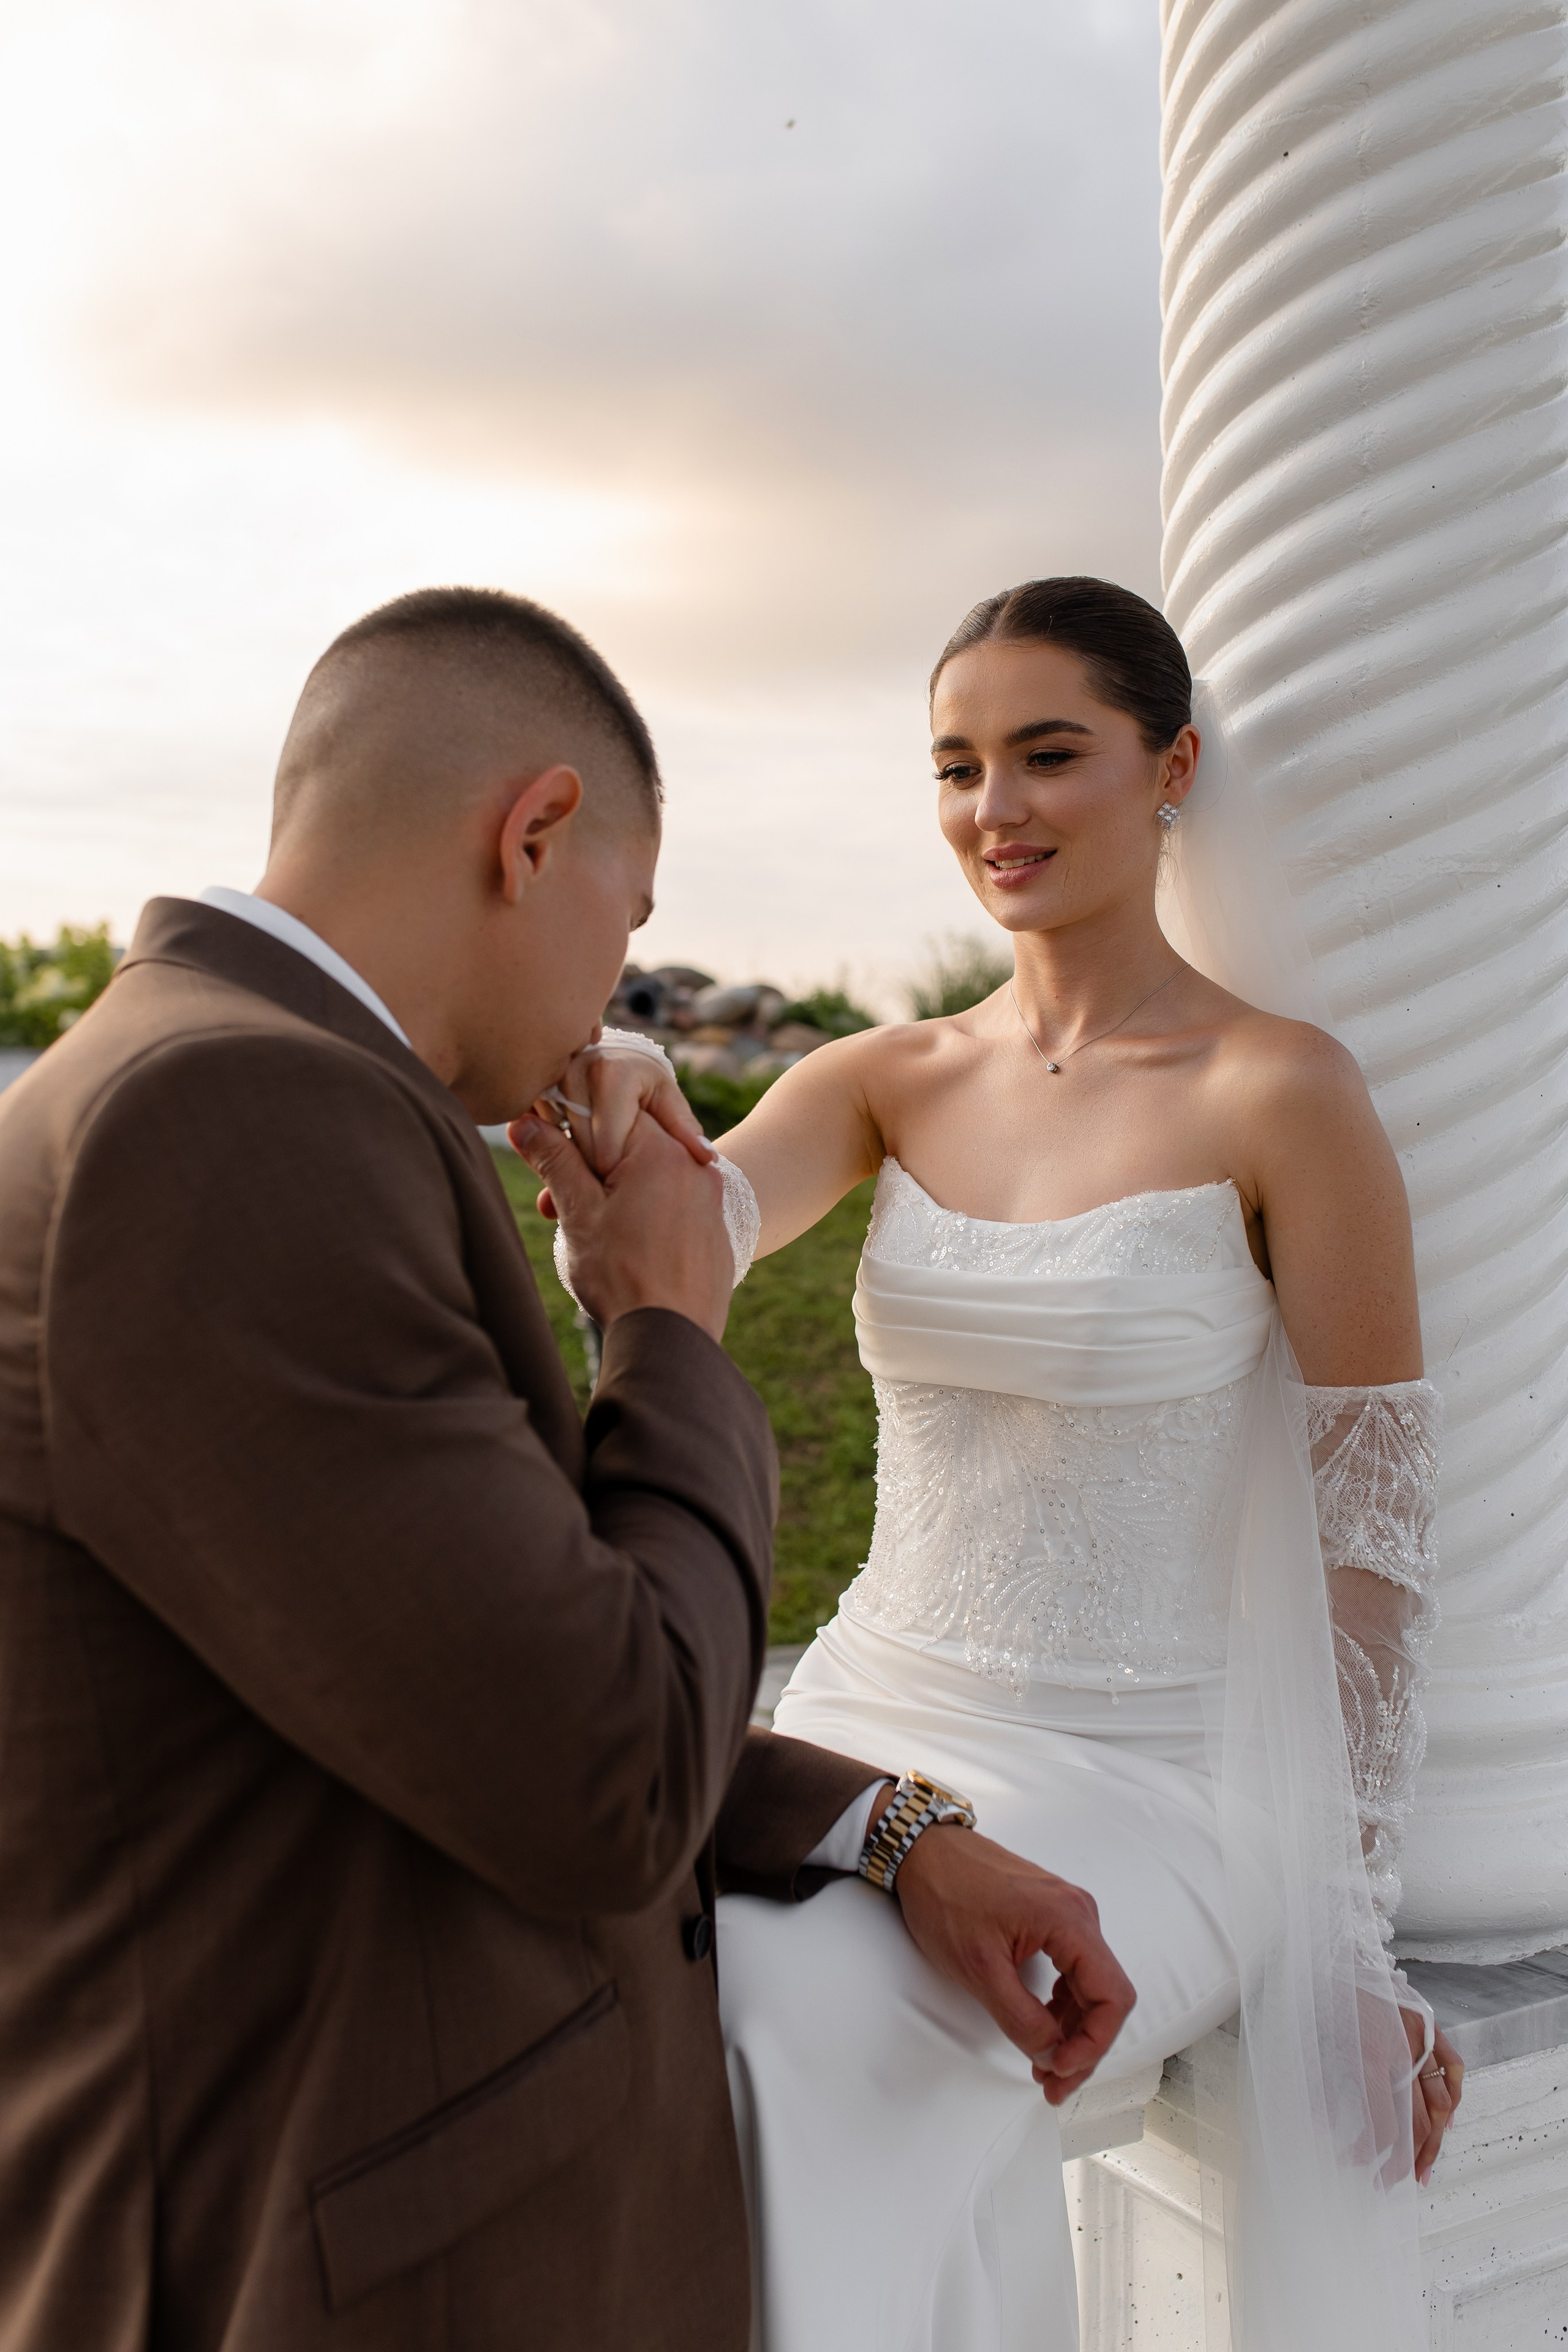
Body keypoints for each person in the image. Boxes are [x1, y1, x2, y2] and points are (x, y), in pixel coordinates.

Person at [0, 584, 1135, 2351]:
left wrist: (885, 1832)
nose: (620, 985)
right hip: (347, 2273)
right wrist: (666, 1326)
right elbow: (604, 1774)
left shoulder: (244, 1091)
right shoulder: (226, 1123)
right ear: (534, 836)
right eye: (632, 913)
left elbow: (453, 1660)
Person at [558, 577, 1464, 2352]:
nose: (997, 811)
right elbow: (706, 1226)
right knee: (663, 1989)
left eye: (1051, 756)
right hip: (880, 1700)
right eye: (959, 766)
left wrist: (1347, 1935)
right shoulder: (889, 1075)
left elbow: (1377, 1539)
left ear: (1171, 765)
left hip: (1155, 1776)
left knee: (799, 2018)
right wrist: (619, 1083)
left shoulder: (1285, 1094)